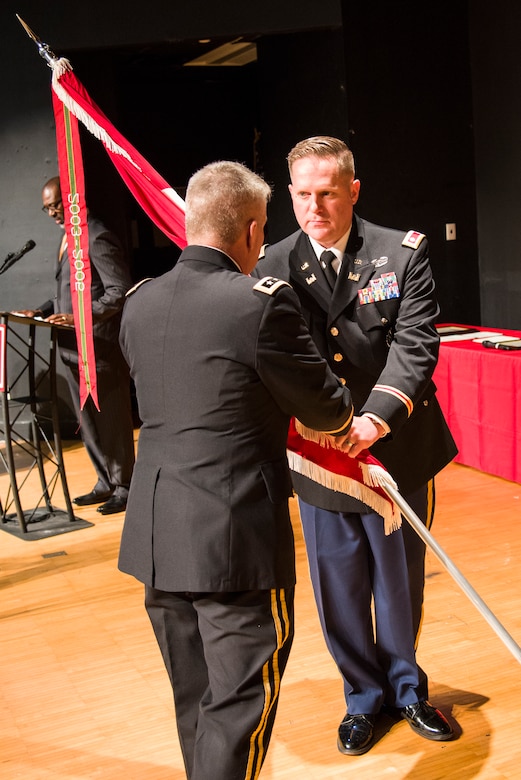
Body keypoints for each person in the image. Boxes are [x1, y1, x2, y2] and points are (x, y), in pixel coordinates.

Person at [117, 160, 355, 780]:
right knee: (238, 708)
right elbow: (328, 409)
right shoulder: (259, 305)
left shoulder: (139, 304)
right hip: (233, 539)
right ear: (252, 233)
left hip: (157, 532)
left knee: (197, 702)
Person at [254, 136, 458, 754]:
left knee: (400, 582)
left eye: (327, 194)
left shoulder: (402, 253)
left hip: (393, 446)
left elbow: (415, 344)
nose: (314, 208)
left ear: (354, 191)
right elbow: (278, 356)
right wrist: (328, 426)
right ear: (289, 195)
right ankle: (362, 699)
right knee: (337, 581)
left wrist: (372, 420)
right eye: (302, 195)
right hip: (321, 455)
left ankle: (407, 690)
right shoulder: (271, 267)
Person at [14, 176, 135, 515]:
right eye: (47, 208)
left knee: (110, 418)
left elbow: (119, 291)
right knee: (88, 421)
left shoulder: (96, 235)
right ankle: (105, 481)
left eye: (56, 205)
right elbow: (67, 294)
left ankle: (125, 485)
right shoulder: (69, 237)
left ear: (73, 199)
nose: (52, 213)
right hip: (71, 348)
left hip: (99, 347)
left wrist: (79, 318)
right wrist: (40, 311)